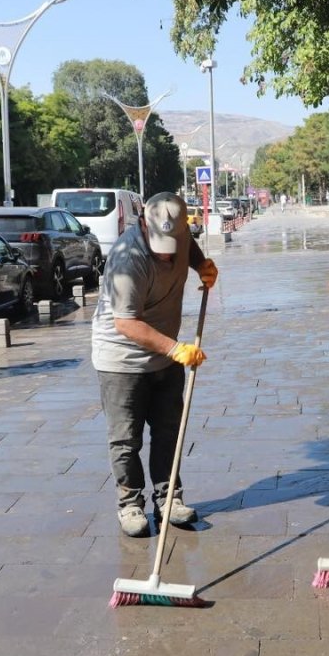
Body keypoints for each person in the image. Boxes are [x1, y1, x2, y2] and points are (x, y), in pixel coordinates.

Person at [92, 192, 219, 537]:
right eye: (159, 242)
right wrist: (176, 348)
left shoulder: (179, 234)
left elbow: (189, 248)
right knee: (125, 439)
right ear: (144, 225)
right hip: (121, 359)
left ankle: (169, 499)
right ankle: (130, 504)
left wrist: (201, 264)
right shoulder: (127, 257)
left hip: (166, 353)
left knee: (168, 432)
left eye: (172, 242)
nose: (166, 253)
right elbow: (126, 323)